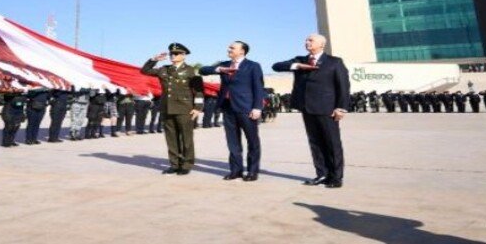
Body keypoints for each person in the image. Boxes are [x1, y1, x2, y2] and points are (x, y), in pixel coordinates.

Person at [273, 34, 350, 188]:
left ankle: (336, 177)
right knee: (315, 143)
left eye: (310, 40)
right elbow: (276, 66)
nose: (307, 42)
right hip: (306, 108)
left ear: (322, 44)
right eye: (306, 40)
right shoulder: (300, 60)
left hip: (327, 108)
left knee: (331, 143)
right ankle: (321, 174)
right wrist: (297, 66)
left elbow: (343, 85)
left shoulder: (334, 62)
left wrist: (341, 107)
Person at [202, 41, 264, 181]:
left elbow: (258, 88)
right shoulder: (223, 64)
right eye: (229, 47)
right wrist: (220, 70)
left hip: (246, 108)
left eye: (232, 47)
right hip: (227, 106)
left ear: (242, 51)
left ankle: (252, 171)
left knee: (252, 140)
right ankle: (236, 170)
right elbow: (203, 70)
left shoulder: (253, 66)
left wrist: (257, 107)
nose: (228, 49)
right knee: (232, 141)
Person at [142, 42, 204, 176]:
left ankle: (187, 164)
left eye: (176, 54)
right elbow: (144, 71)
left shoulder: (191, 70)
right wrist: (154, 60)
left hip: (184, 108)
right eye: (171, 53)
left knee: (186, 138)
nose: (172, 56)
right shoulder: (164, 69)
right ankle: (174, 164)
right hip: (167, 107)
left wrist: (198, 107)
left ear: (183, 55)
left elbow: (199, 91)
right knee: (171, 138)